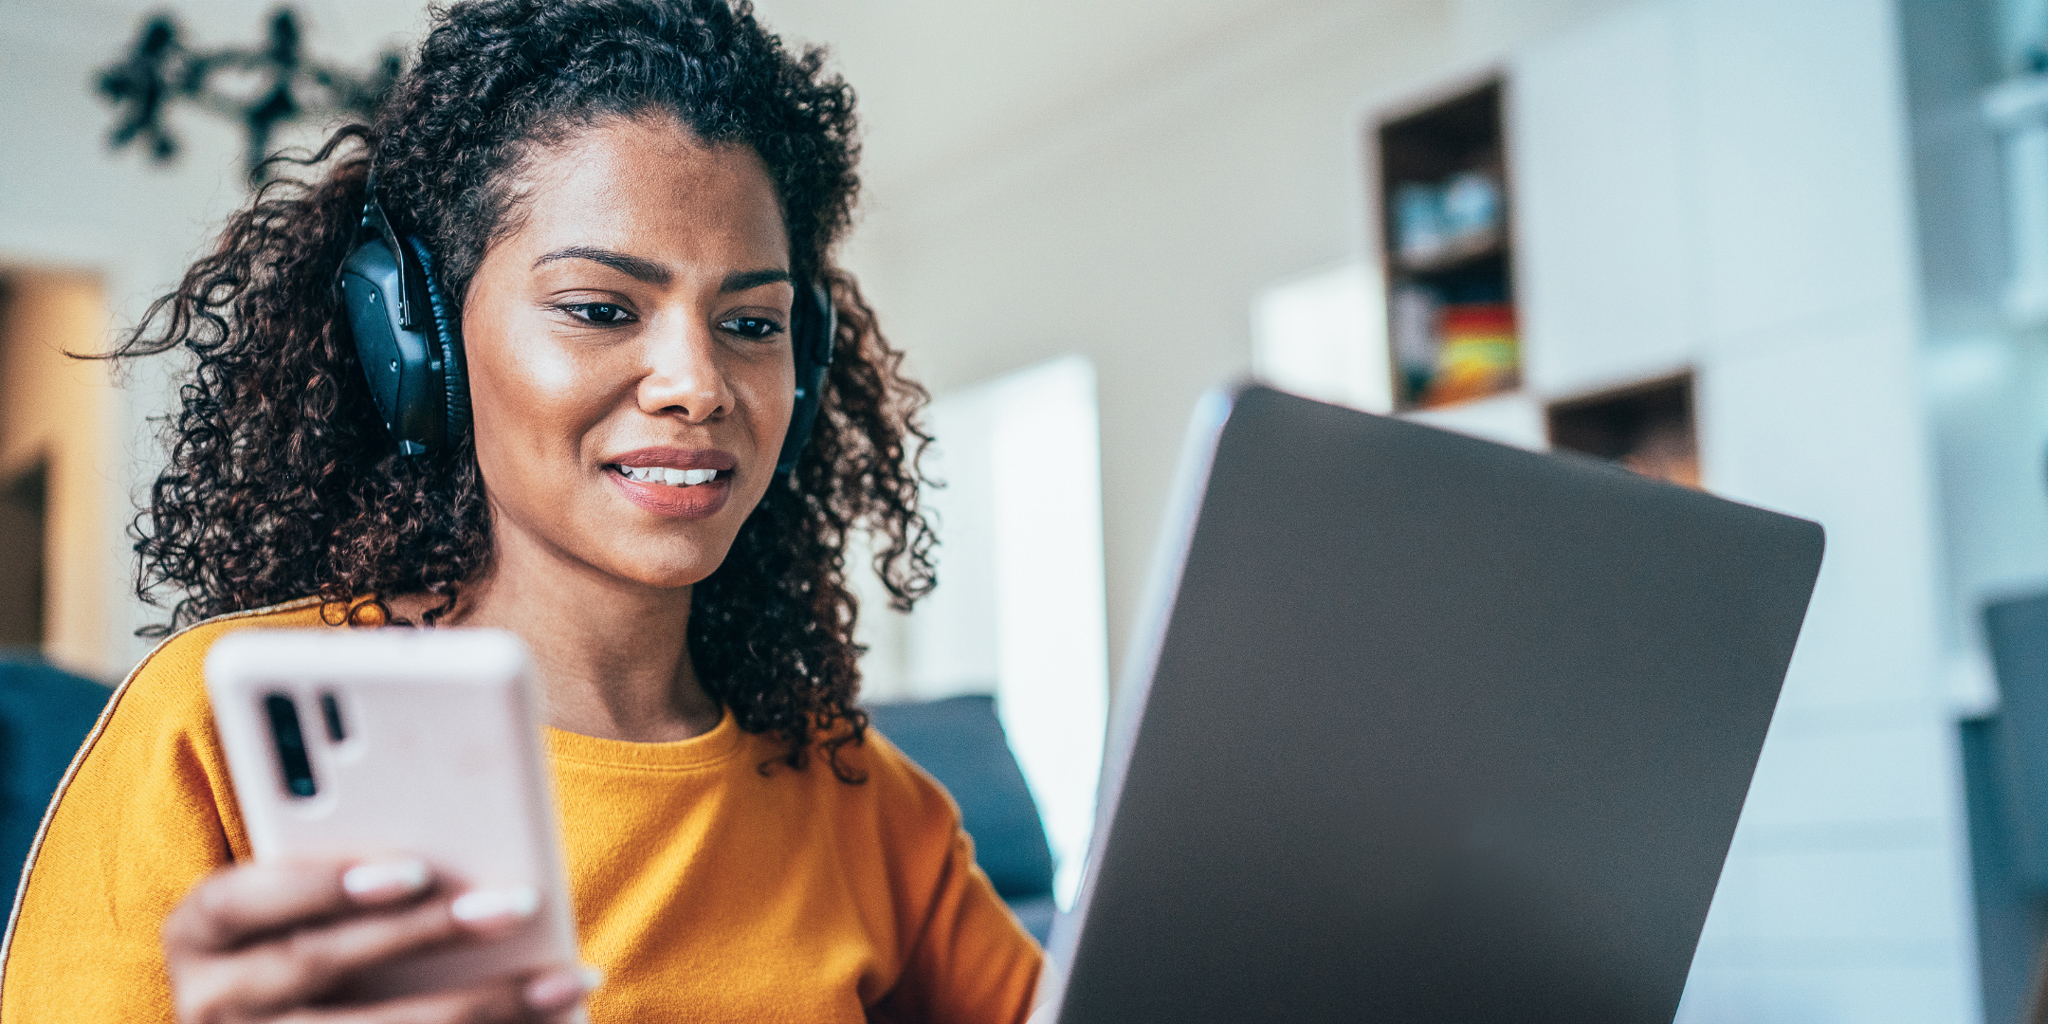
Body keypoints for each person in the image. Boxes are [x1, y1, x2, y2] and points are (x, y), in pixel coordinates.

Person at [0, 1, 1045, 1021]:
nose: (698, 382)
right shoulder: (220, 726)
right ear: (422, 347)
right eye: (597, 308)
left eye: (749, 322)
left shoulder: (863, 802)